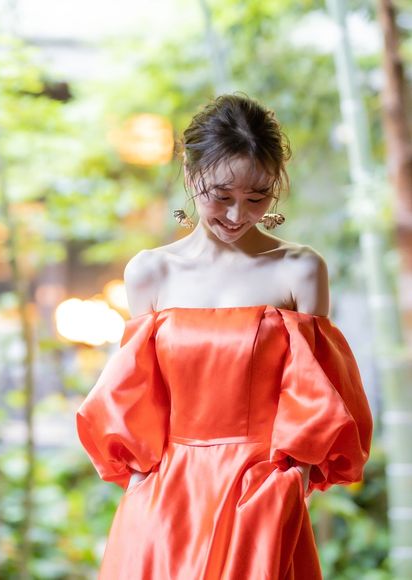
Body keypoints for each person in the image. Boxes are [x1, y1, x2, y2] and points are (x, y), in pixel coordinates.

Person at [75, 93, 374, 579]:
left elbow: (317, 393)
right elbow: (135, 394)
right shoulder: (150, 272)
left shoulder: (299, 269)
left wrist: (292, 481)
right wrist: (139, 482)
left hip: (261, 493)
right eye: (221, 195)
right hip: (165, 501)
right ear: (190, 174)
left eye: (257, 198)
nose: (237, 215)